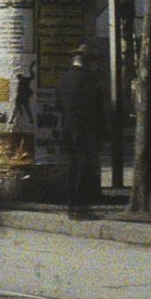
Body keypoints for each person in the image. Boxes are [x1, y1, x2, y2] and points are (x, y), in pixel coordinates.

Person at [57, 48, 106, 217]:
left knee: (72, 166)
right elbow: (97, 106)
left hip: (68, 128)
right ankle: (81, 206)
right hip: (86, 129)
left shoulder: (64, 79)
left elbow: (58, 104)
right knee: (84, 167)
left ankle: (71, 205)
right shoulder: (89, 79)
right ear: (87, 61)